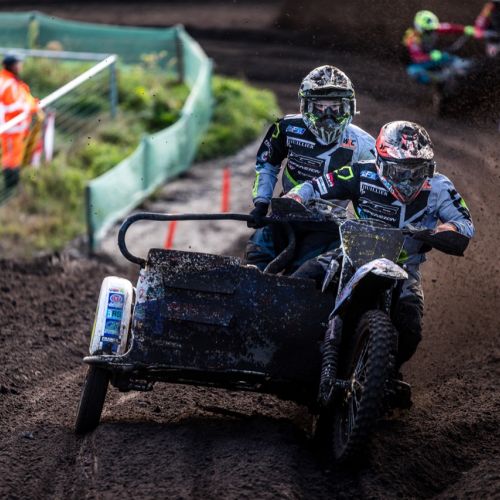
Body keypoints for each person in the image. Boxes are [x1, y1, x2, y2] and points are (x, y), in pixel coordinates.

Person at [284, 120, 474, 373]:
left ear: (429, 168)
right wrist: (296, 197)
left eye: (418, 171)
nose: (409, 181)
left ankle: (385, 374)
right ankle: (282, 347)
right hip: (353, 253)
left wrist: (445, 230)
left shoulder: (440, 187)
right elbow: (315, 185)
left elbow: (464, 222)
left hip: (405, 268)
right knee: (302, 278)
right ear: (381, 163)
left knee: (410, 327)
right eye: (400, 172)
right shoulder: (361, 173)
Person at [245, 65, 375, 271]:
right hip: (286, 214)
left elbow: (375, 185)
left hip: (329, 225)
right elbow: (267, 163)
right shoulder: (286, 128)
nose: (328, 116)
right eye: (320, 107)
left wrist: (369, 226)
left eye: (336, 108)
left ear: (349, 107)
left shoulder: (364, 144)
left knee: (304, 275)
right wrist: (261, 202)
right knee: (254, 259)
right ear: (305, 106)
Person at [403, 10, 483, 84]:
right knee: (413, 72)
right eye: (428, 30)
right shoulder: (412, 38)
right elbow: (417, 57)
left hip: (436, 56)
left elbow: (448, 28)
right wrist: (430, 56)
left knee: (446, 56)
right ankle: (439, 79)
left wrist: (464, 29)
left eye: (433, 29)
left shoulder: (433, 28)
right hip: (420, 63)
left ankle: (463, 67)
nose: (432, 32)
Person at [0, 53, 39, 190]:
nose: (20, 66)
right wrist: (32, 106)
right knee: (11, 159)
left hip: (14, 129)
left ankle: (13, 187)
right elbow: (15, 106)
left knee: (14, 157)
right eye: (18, 64)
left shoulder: (10, 81)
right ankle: (11, 188)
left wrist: (33, 103)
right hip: (11, 129)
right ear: (11, 66)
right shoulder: (8, 83)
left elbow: (24, 98)